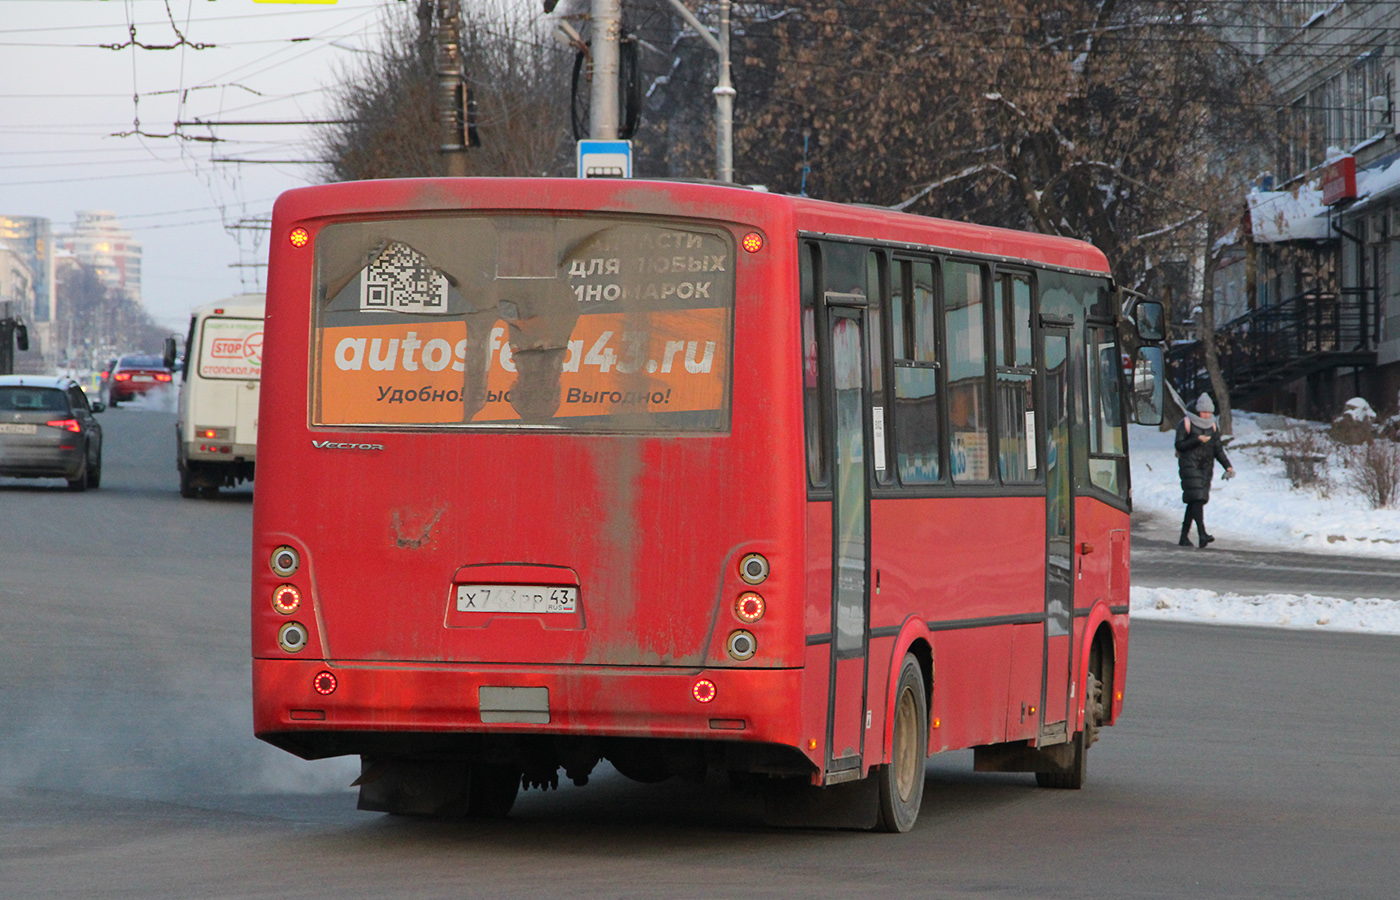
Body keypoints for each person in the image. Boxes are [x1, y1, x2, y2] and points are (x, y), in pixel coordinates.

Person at [1175, 393, 1235, 548]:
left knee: (1194, 501)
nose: (1207, 415)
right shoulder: (1186, 423)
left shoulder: (1213, 426)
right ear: (1198, 411)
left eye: (1209, 412)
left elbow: (1218, 449)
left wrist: (1227, 466)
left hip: (1206, 467)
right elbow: (1179, 445)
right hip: (1189, 465)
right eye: (1204, 412)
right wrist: (1196, 440)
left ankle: (1184, 537)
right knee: (1198, 499)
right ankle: (1202, 534)